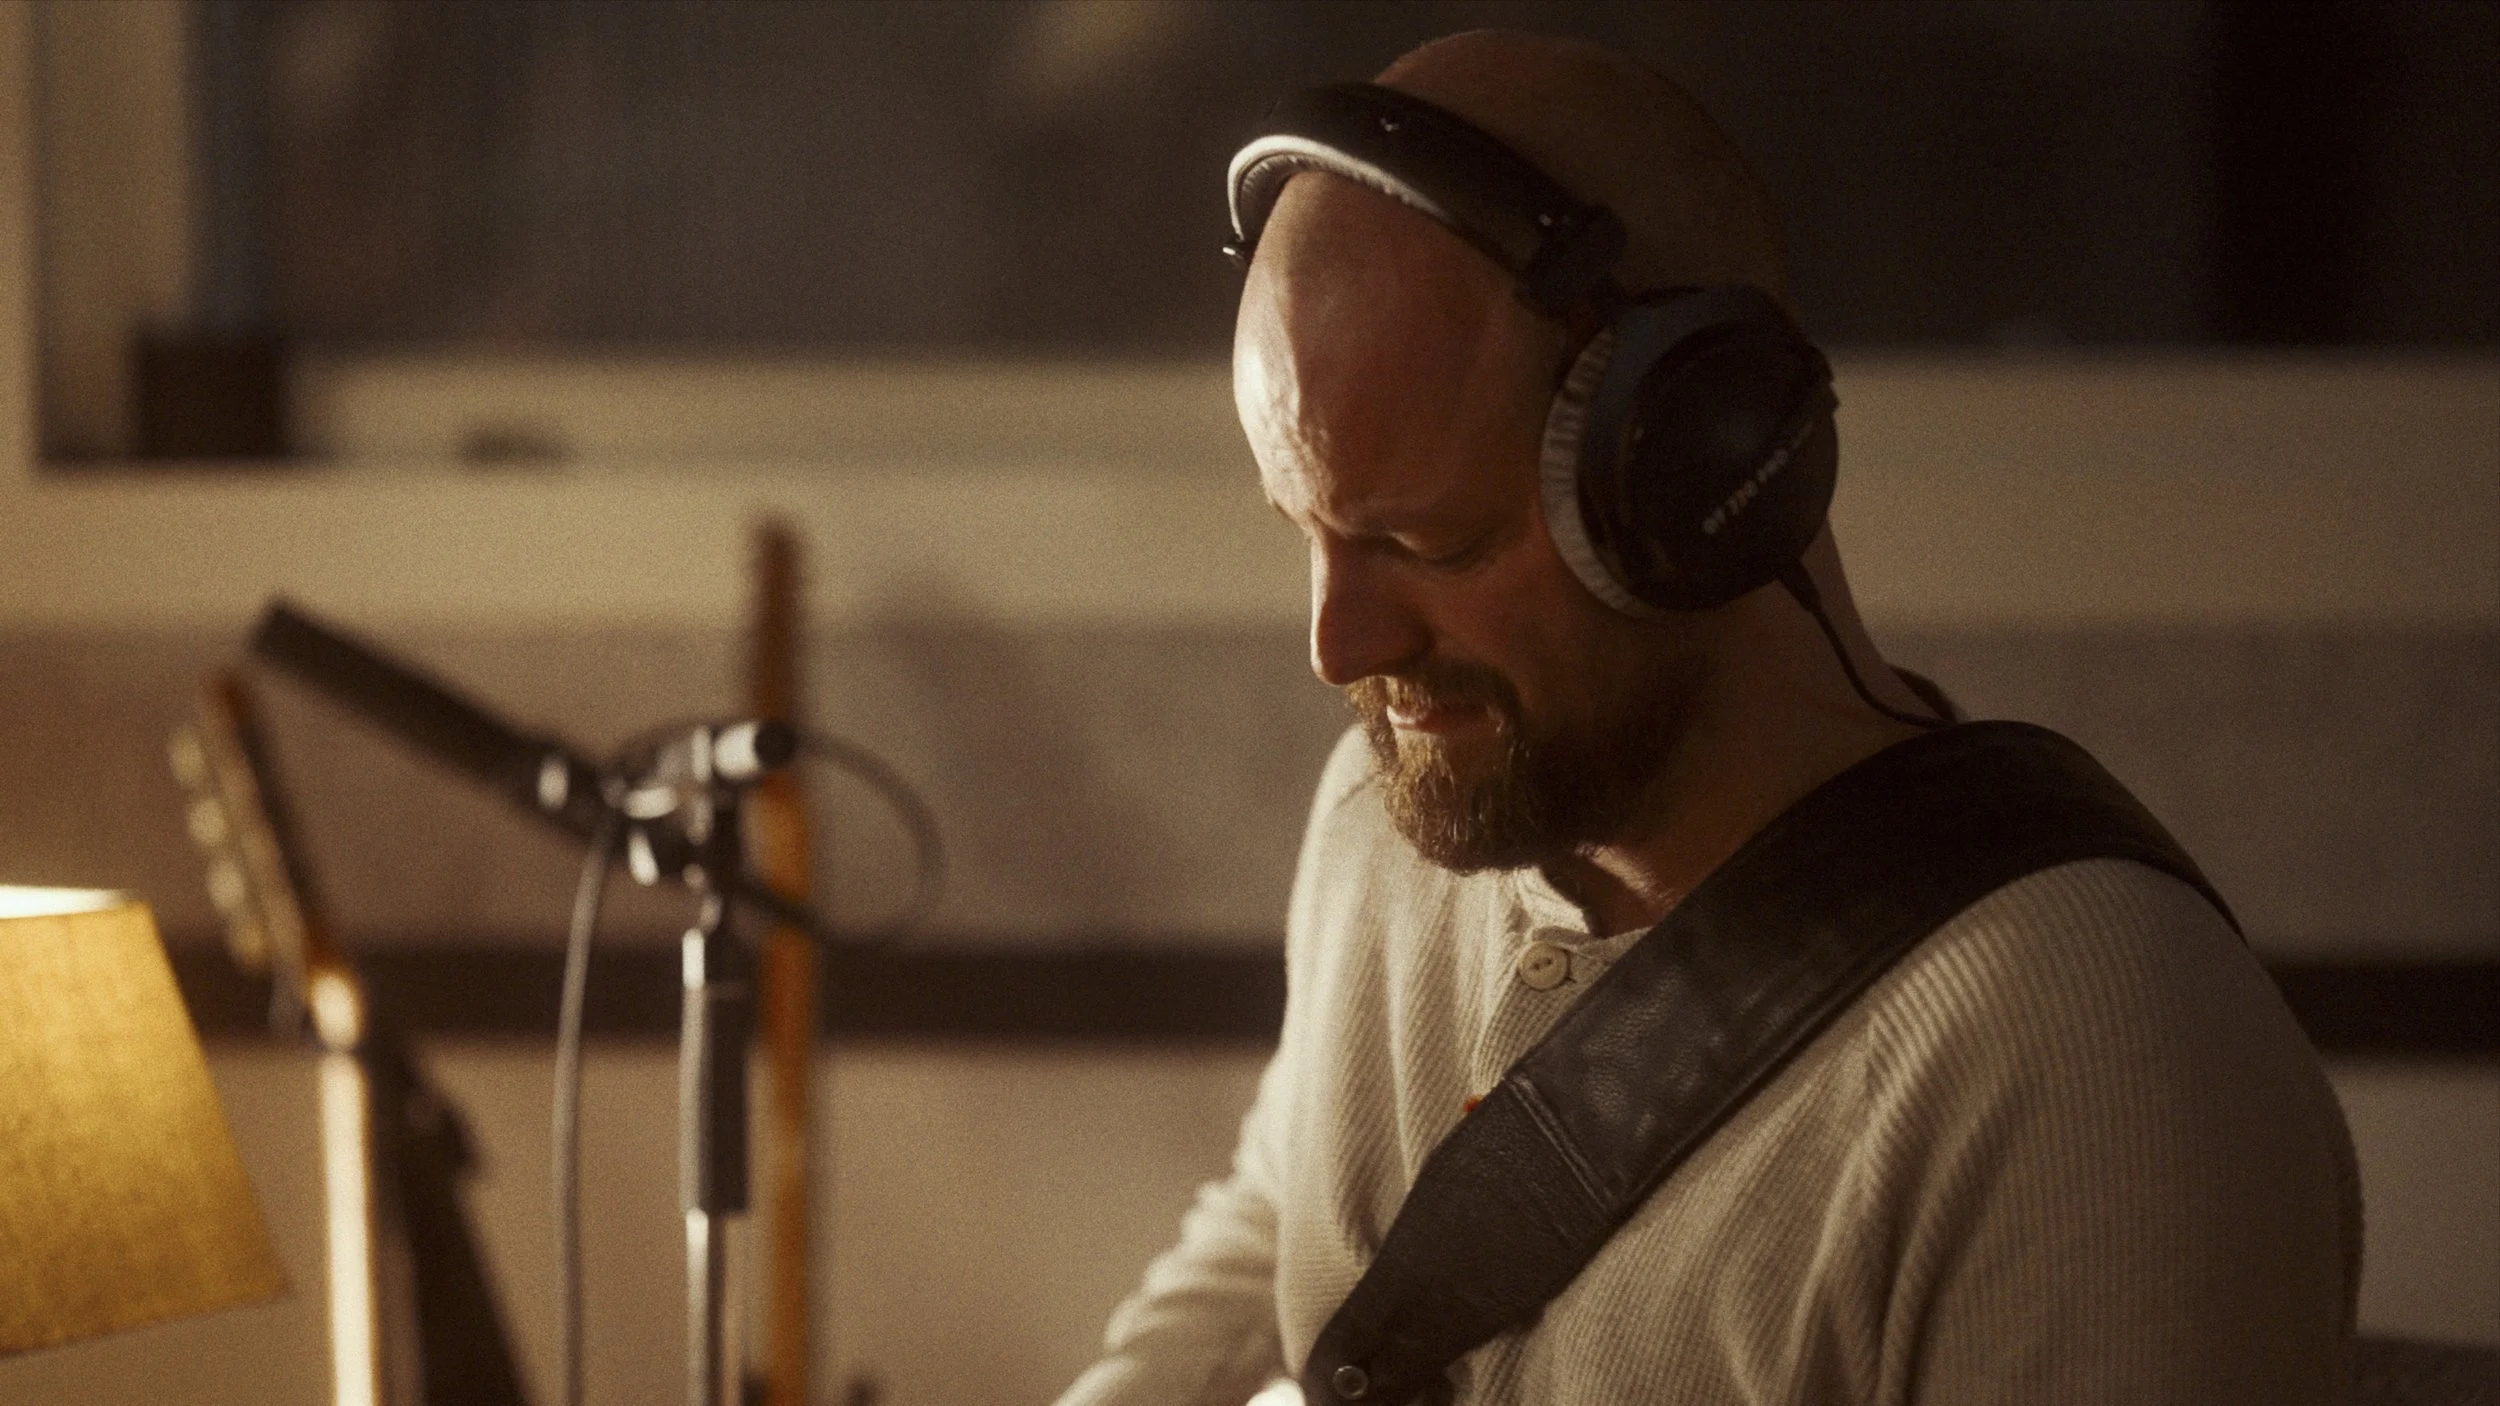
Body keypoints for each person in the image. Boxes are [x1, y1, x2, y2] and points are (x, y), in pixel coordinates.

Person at [1056, 30, 2358, 1406]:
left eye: (1429, 543)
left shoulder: (2097, 1075)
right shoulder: (1382, 823)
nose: (1340, 646)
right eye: (1306, 531)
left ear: (1691, 466)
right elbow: (1286, 1230)